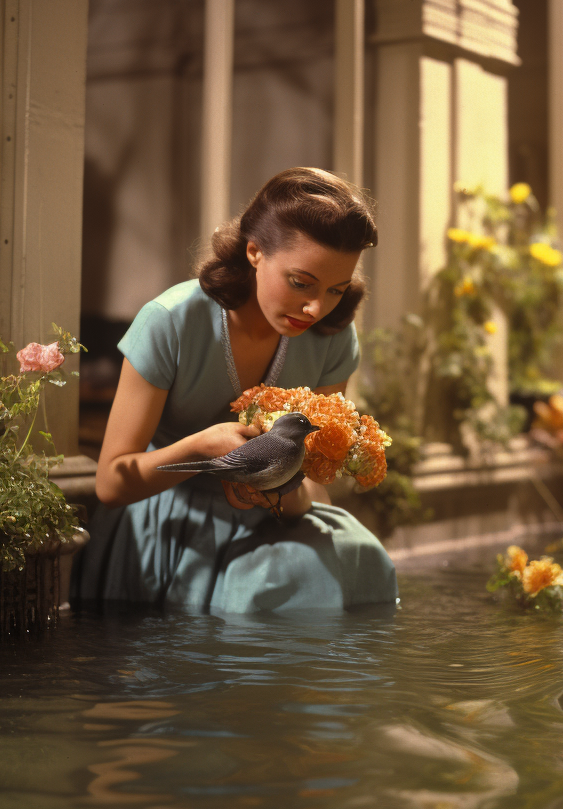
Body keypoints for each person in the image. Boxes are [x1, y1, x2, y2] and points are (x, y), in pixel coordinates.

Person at [71, 167, 398, 612]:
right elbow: (111, 483)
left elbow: (313, 486)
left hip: (269, 521)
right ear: (254, 252)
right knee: (275, 592)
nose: (316, 308)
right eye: (301, 283)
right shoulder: (170, 321)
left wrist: (280, 491)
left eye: (337, 290)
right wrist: (206, 449)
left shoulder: (333, 336)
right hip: (166, 517)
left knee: (364, 565)